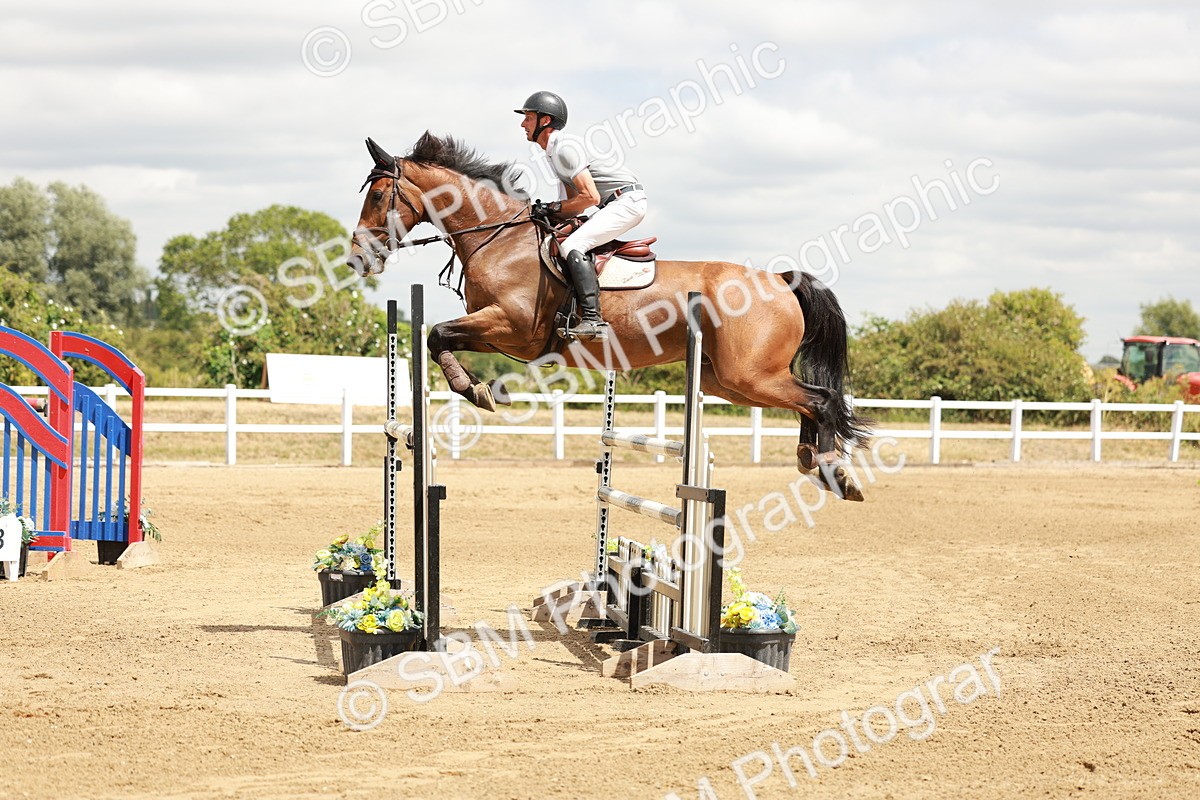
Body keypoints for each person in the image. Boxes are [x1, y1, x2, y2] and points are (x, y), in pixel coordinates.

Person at [515, 91, 647, 341]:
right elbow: (573, 207)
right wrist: (543, 213)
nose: (523, 124)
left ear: (545, 121)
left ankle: (593, 320)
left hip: (626, 202)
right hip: (615, 203)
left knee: (574, 244)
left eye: (528, 118)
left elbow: (590, 198)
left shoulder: (564, 148)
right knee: (562, 239)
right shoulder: (553, 153)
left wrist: (552, 209)